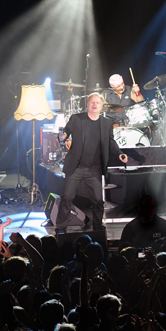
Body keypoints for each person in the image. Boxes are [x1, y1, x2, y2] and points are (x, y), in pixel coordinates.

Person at [56, 93, 128, 233]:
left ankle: (98, 227)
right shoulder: (77, 119)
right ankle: (61, 228)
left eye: (97, 102)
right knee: (67, 198)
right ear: (87, 104)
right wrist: (62, 136)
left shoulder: (106, 124)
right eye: (92, 102)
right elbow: (66, 132)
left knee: (98, 200)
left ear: (101, 106)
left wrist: (120, 154)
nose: (94, 104)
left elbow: (110, 142)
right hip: (76, 167)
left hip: (94, 168)